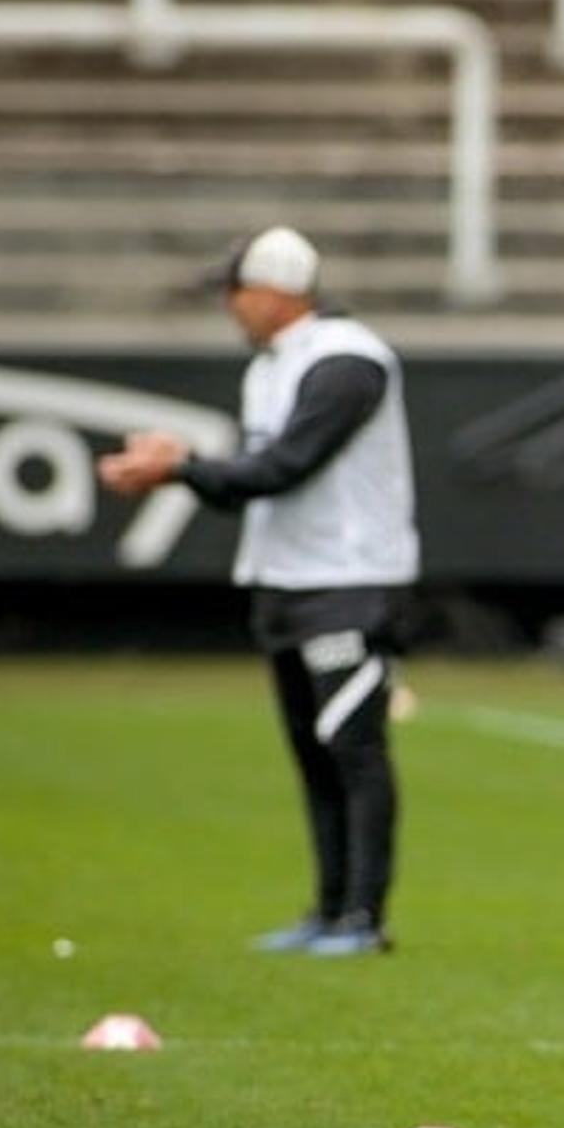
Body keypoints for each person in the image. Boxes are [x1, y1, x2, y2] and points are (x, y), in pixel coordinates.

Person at [97, 225, 419, 957]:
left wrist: (179, 467)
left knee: (353, 746)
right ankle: (329, 906)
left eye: (237, 292)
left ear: (275, 291)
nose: (231, 307)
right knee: (312, 751)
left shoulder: (348, 361)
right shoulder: (273, 365)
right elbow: (252, 477)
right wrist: (181, 466)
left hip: (349, 578)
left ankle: (364, 917)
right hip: (285, 577)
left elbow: (286, 466)